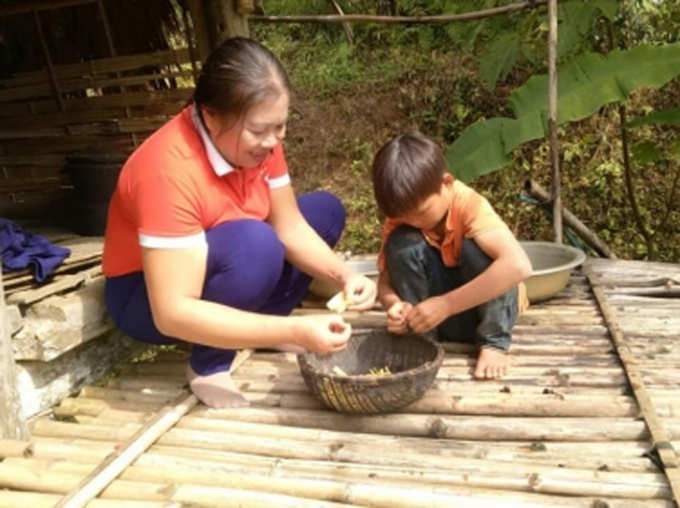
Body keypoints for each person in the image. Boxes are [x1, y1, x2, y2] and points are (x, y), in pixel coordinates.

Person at [103, 37, 376, 408]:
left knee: (324, 211)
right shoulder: (167, 170)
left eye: (280, 127)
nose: (272, 141)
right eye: (260, 130)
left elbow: (291, 226)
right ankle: (209, 365)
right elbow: (172, 312)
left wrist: (344, 275)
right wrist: (295, 328)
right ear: (211, 116)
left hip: (223, 255)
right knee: (256, 245)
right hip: (147, 298)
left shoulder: (263, 143)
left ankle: (261, 324)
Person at [371, 133, 531, 379]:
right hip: (434, 317)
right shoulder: (400, 217)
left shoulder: (469, 204)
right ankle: (422, 340)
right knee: (401, 244)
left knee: (476, 250)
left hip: (484, 309)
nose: (414, 221)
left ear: (446, 183)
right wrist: (395, 306)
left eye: (421, 212)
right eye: (406, 217)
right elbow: (385, 283)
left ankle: (493, 342)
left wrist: (446, 305)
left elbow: (518, 266)